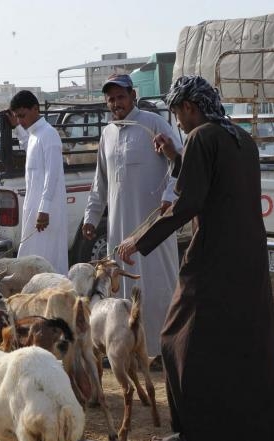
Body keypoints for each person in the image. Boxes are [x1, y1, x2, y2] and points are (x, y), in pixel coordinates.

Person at [116, 75, 274, 441]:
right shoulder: (240, 137)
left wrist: (140, 241)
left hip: (215, 256)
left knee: (176, 339)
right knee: (240, 345)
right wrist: (174, 157)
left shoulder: (202, 137)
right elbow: (213, 182)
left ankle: (192, 437)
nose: (178, 124)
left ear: (189, 108)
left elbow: (188, 203)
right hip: (248, 256)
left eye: (178, 115)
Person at [82, 74, 181, 360]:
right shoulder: (107, 134)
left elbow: (181, 163)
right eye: (110, 99)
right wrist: (91, 216)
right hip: (119, 230)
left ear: (133, 96)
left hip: (153, 228)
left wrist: (170, 198)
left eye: (120, 97)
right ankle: (127, 350)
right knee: (121, 290)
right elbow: (100, 181)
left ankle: (164, 350)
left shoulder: (153, 124)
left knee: (158, 285)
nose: (116, 104)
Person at [6, 90, 68, 274]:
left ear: (36, 109)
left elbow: (53, 173)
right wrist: (16, 127)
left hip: (46, 213)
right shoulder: (34, 134)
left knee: (47, 263)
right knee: (31, 260)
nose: (21, 120)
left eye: (22, 116)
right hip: (35, 210)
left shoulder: (49, 134)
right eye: (18, 116)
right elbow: (28, 144)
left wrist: (44, 209)